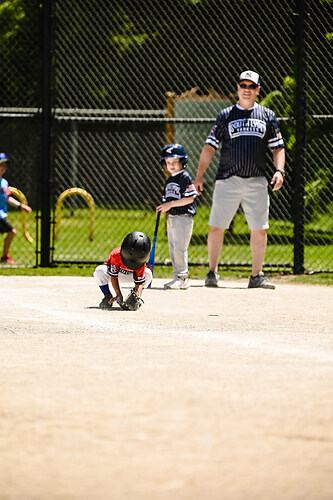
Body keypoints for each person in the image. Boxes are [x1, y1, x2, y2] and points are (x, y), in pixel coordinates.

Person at [194, 70, 285, 289]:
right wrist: (199, 175)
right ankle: (212, 272)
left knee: (260, 228)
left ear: (258, 90)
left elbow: (277, 147)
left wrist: (279, 170)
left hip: (256, 180)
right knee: (217, 226)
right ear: (237, 88)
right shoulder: (226, 115)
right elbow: (209, 147)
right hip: (228, 179)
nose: (246, 89)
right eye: (243, 85)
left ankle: (256, 276)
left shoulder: (267, 116)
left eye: (251, 86)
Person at [156, 143, 197, 290]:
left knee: (180, 248)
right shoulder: (169, 180)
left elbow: (190, 198)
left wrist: (170, 205)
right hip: (172, 218)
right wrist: (163, 207)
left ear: (182, 162)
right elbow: (168, 200)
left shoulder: (185, 177)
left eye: (174, 162)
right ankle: (177, 276)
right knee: (173, 249)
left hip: (183, 217)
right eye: (168, 163)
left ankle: (182, 277)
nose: (171, 165)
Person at [93, 231, 152, 309]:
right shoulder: (116, 254)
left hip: (130, 276)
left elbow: (139, 282)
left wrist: (137, 297)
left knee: (148, 273)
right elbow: (114, 276)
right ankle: (107, 296)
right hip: (114, 275)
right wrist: (118, 294)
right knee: (99, 270)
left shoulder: (141, 261)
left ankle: (134, 297)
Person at [0, 153, 32, 264]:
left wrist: (21, 206)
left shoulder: (4, 182)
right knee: (11, 231)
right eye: (1, 165)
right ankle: (4, 257)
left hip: (1, 214)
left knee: (11, 232)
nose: (3, 168)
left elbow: (7, 198)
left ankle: (4, 257)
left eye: (4, 165)